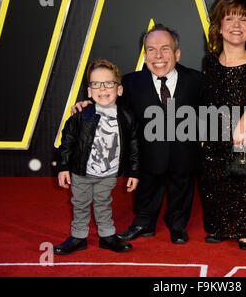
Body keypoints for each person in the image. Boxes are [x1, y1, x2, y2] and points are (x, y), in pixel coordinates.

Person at [72, 24, 204, 244]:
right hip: (147, 154)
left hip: (184, 153)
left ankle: (178, 225)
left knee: (182, 186)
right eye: (151, 50)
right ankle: (144, 223)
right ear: (144, 55)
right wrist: (89, 104)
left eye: (165, 49)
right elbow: (110, 103)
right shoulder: (130, 83)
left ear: (177, 53)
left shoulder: (196, 80)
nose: (158, 56)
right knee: (147, 188)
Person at [198, 0, 246, 250]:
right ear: (219, 26)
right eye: (230, 19)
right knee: (215, 181)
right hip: (215, 140)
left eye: (244, 19)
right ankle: (220, 226)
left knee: (244, 183)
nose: (237, 25)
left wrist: (240, 127)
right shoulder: (210, 62)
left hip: (244, 141)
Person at [54, 59, 140, 255]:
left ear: (119, 90)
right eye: (96, 84)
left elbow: (135, 145)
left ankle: (107, 236)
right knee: (80, 204)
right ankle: (78, 237)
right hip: (82, 171)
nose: (102, 88)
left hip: (109, 173)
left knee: (103, 203)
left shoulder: (127, 116)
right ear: (89, 91)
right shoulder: (81, 115)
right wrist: (63, 167)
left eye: (108, 83)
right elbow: (66, 142)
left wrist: (134, 171)